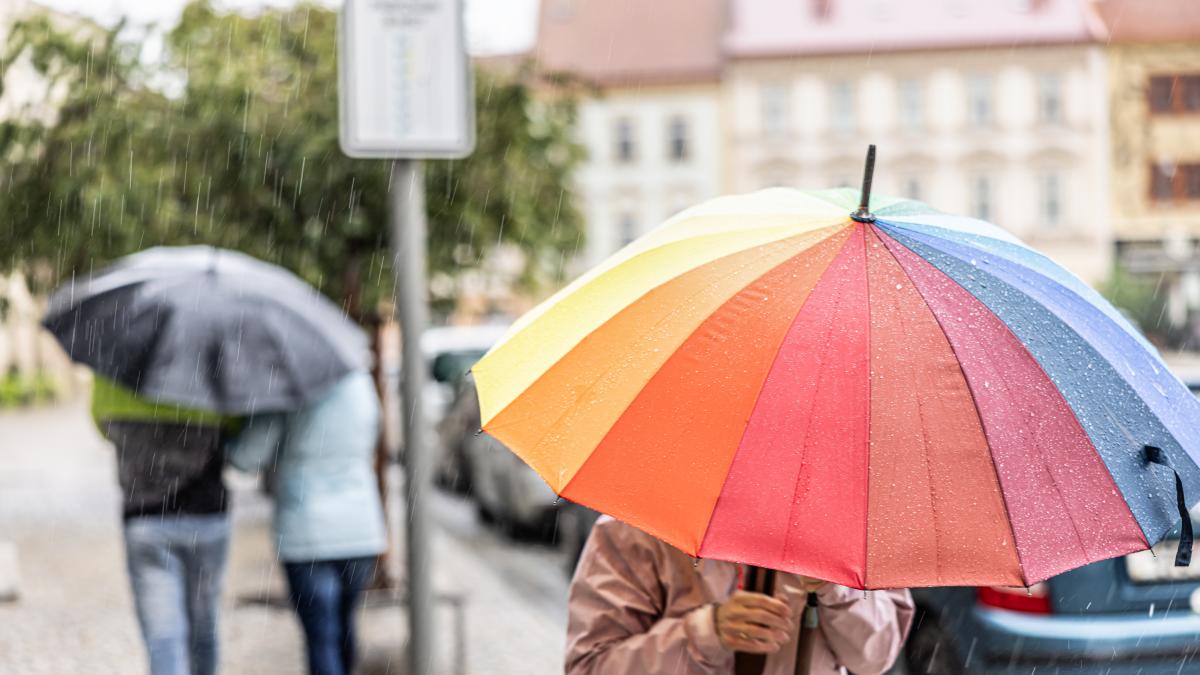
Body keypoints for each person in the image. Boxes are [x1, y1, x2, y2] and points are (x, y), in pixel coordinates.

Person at [565, 516, 915, 675]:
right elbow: (592, 666)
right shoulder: (635, 529)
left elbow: (875, 658)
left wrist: (837, 588)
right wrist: (706, 633)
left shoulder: (852, 527)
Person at [226, 370, 386, 675]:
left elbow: (247, 456)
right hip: (360, 526)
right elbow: (373, 434)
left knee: (321, 636)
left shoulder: (288, 386)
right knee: (344, 624)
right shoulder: (359, 381)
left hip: (307, 531)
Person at [92, 375, 236, 675]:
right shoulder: (212, 358)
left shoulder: (118, 359)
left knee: (163, 637)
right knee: (204, 627)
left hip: (146, 515)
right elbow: (236, 423)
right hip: (206, 513)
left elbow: (102, 422)